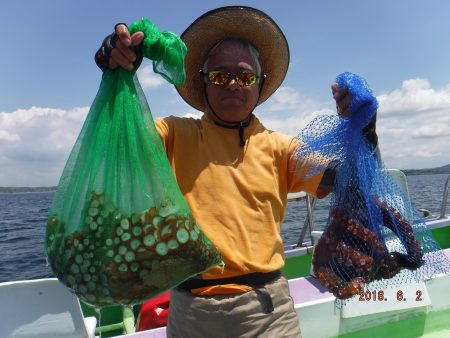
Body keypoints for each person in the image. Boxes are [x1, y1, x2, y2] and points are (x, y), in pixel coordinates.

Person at [95, 6, 357, 338]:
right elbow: (117, 143)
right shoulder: (173, 135)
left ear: (259, 85)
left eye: (245, 76)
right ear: (203, 82)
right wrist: (117, 78)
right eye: (220, 75)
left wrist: (363, 129)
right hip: (190, 312)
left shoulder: (283, 148)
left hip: (266, 312)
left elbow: (347, 180)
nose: (232, 84)